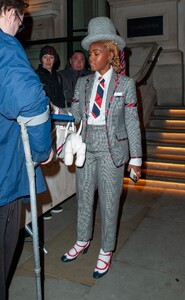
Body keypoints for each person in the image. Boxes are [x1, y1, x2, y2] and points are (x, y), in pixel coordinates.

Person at [61, 17, 142, 279]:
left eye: (96, 53)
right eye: (89, 53)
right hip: (86, 146)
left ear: (111, 53)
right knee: (84, 197)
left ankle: (106, 249)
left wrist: (136, 159)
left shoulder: (125, 85)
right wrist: (66, 111)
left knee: (109, 201)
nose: (90, 58)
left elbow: (132, 121)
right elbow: (75, 108)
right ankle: (82, 240)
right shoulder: (83, 83)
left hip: (112, 149)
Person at [0, 1, 53, 299]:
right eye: (19, 22)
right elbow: (32, 103)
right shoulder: (5, 48)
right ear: (10, 12)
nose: (19, 29)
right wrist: (42, 150)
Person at [36, 45, 64, 219]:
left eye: (51, 57)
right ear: (40, 59)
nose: (48, 60)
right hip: (43, 123)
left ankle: (54, 200)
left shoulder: (58, 77)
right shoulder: (35, 75)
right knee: (43, 163)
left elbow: (60, 99)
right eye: (45, 56)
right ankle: (43, 204)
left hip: (57, 121)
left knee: (55, 163)